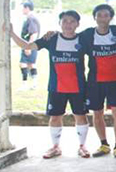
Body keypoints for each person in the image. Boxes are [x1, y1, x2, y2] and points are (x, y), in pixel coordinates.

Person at [7, 10, 90, 158]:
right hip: (56, 87)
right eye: (65, 21)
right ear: (59, 23)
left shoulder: (83, 39)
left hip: (78, 87)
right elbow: (27, 46)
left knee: (81, 116)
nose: (68, 24)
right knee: (55, 117)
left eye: (72, 21)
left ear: (78, 24)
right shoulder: (51, 38)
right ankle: (55, 147)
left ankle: (82, 146)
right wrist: (11, 33)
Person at [79, 4, 116, 159]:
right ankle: (104, 144)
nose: (103, 18)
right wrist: (53, 34)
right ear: (94, 17)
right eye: (99, 15)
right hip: (95, 81)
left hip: (115, 81)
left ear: (111, 17)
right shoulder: (87, 34)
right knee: (97, 113)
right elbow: (69, 35)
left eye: (106, 15)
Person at [19, 0, 40, 90]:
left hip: (29, 44)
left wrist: (28, 47)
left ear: (27, 8)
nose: (22, 10)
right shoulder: (30, 18)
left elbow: (34, 33)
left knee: (23, 63)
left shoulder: (31, 18)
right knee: (31, 64)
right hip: (30, 45)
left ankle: (25, 84)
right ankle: (34, 84)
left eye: (23, 8)